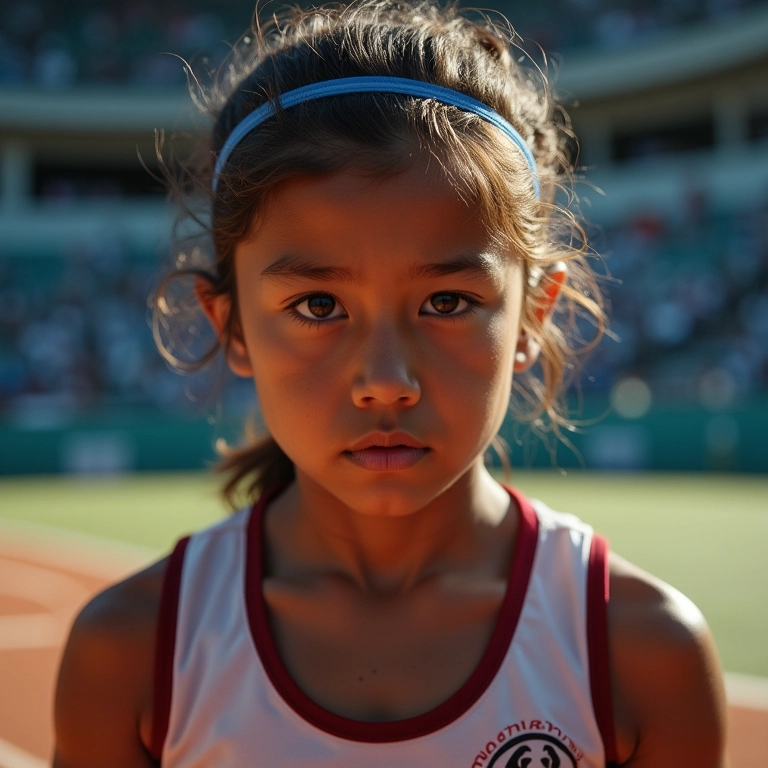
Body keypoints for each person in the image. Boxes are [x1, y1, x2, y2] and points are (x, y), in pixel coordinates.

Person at [52, 2, 728, 766]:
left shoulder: (640, 651)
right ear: (231, 325)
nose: (385, 382)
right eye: (317, 305)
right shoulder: (134, 652)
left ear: (533, 316)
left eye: (447, 302)